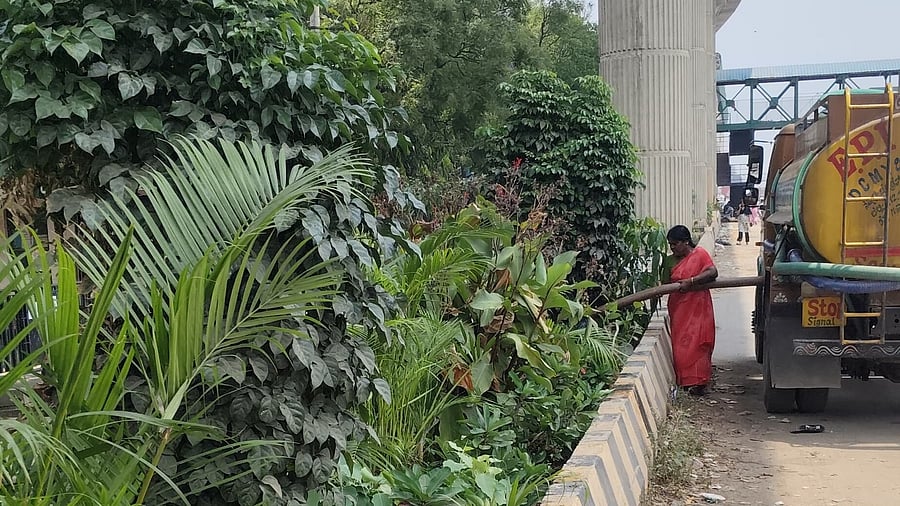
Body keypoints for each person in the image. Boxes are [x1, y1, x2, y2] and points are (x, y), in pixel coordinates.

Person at [661, 225, 719, 396]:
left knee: (700, 342)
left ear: (686, 242)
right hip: (679, 307)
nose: (672, 247)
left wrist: (691, 281)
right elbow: (664, 283)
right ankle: (685, 381)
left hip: (699, 305)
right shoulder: (669, 261)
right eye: (670, 244)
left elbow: (713, 272)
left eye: (675, 244)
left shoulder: (700, 254)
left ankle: (699, 382)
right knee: (681, 344)